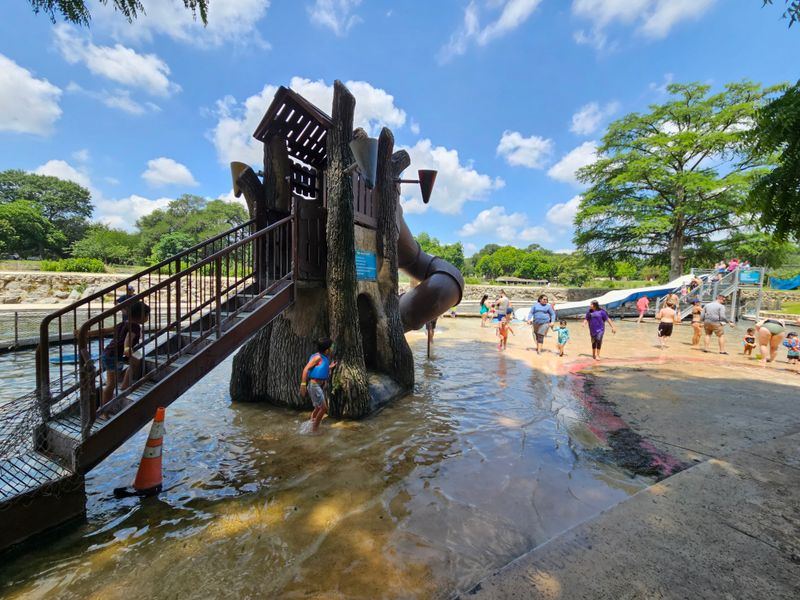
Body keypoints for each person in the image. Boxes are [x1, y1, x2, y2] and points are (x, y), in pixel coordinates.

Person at [101, 301, 150, 406]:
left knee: (135, 362)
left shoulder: (123, 323)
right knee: (111, 385)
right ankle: (103, 410)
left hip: (109, 353)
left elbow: (105, 330)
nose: (147, 318)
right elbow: (128, 338)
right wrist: (127, 349)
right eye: (147, 315)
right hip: (113, 356)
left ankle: (124, 386)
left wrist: (87, 333)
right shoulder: (135, 327)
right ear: (142, 316)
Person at [300, 338, 337, 433]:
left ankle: (312, 424)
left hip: (315, 386)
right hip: (314, 385)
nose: (332, 349)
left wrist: (329, 367)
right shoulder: (317, 357)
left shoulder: (322, 357)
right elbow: (305, 369)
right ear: (327, 350)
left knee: (317, 408)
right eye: (331, 347)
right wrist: (303, 385)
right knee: (324, 408)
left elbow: (319, 368)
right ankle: (315, 429)